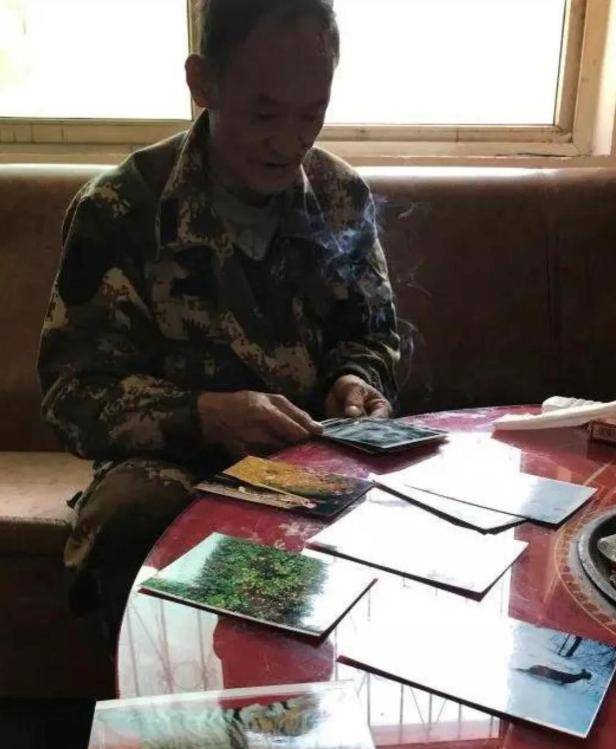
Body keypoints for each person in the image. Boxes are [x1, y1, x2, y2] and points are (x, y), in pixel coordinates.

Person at [37, 0, 400, 640]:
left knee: (405, 523)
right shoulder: (120, 208)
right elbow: (73, 396)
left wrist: (354, 382)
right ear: (202, 83)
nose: (289, 142)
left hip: (310, 459)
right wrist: (202, 413)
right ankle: (165, 694)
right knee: (133, 514)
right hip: (175, 464)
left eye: (311, 113)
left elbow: (370, 336)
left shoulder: (340, 195)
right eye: (264, 114)